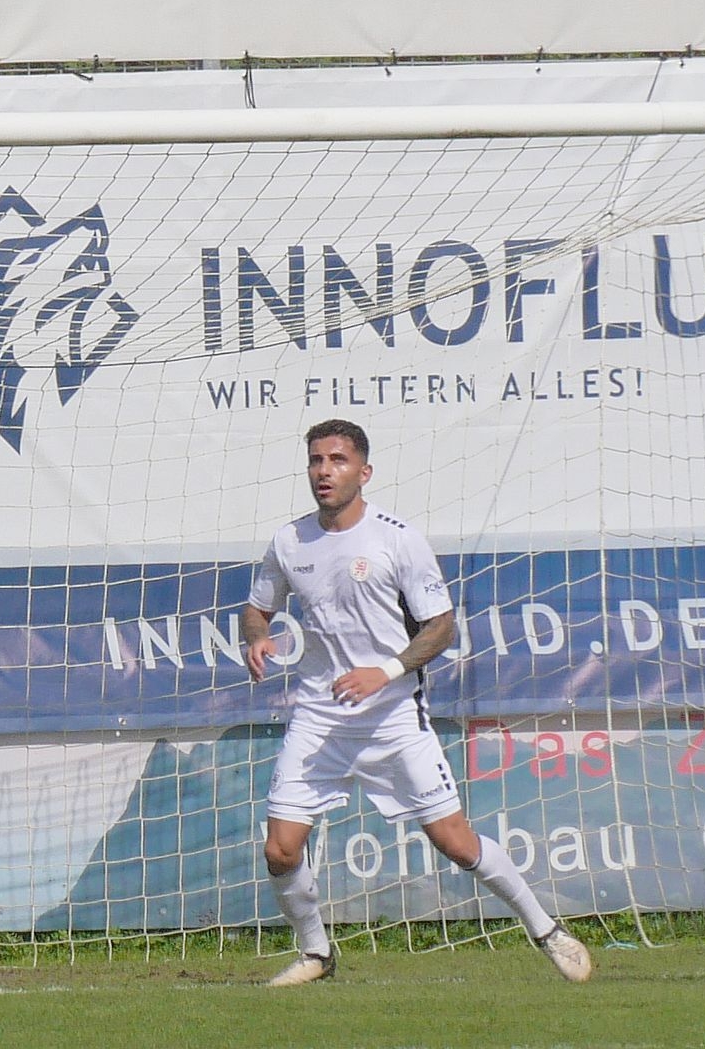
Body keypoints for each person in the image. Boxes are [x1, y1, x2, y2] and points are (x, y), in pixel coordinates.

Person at [243, 418, 591, 987]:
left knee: (455, 843)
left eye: (337, 460)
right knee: (281, 851)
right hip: (319, 717)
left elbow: (441, 627)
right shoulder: (290, 541)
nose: (324, 471)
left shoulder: (397, 539)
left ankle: (546, 930)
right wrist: (256, 636)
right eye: (316, 460)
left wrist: (382, 673)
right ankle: (316, 953)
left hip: (393, 717)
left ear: (364, 472)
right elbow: (258, 607)